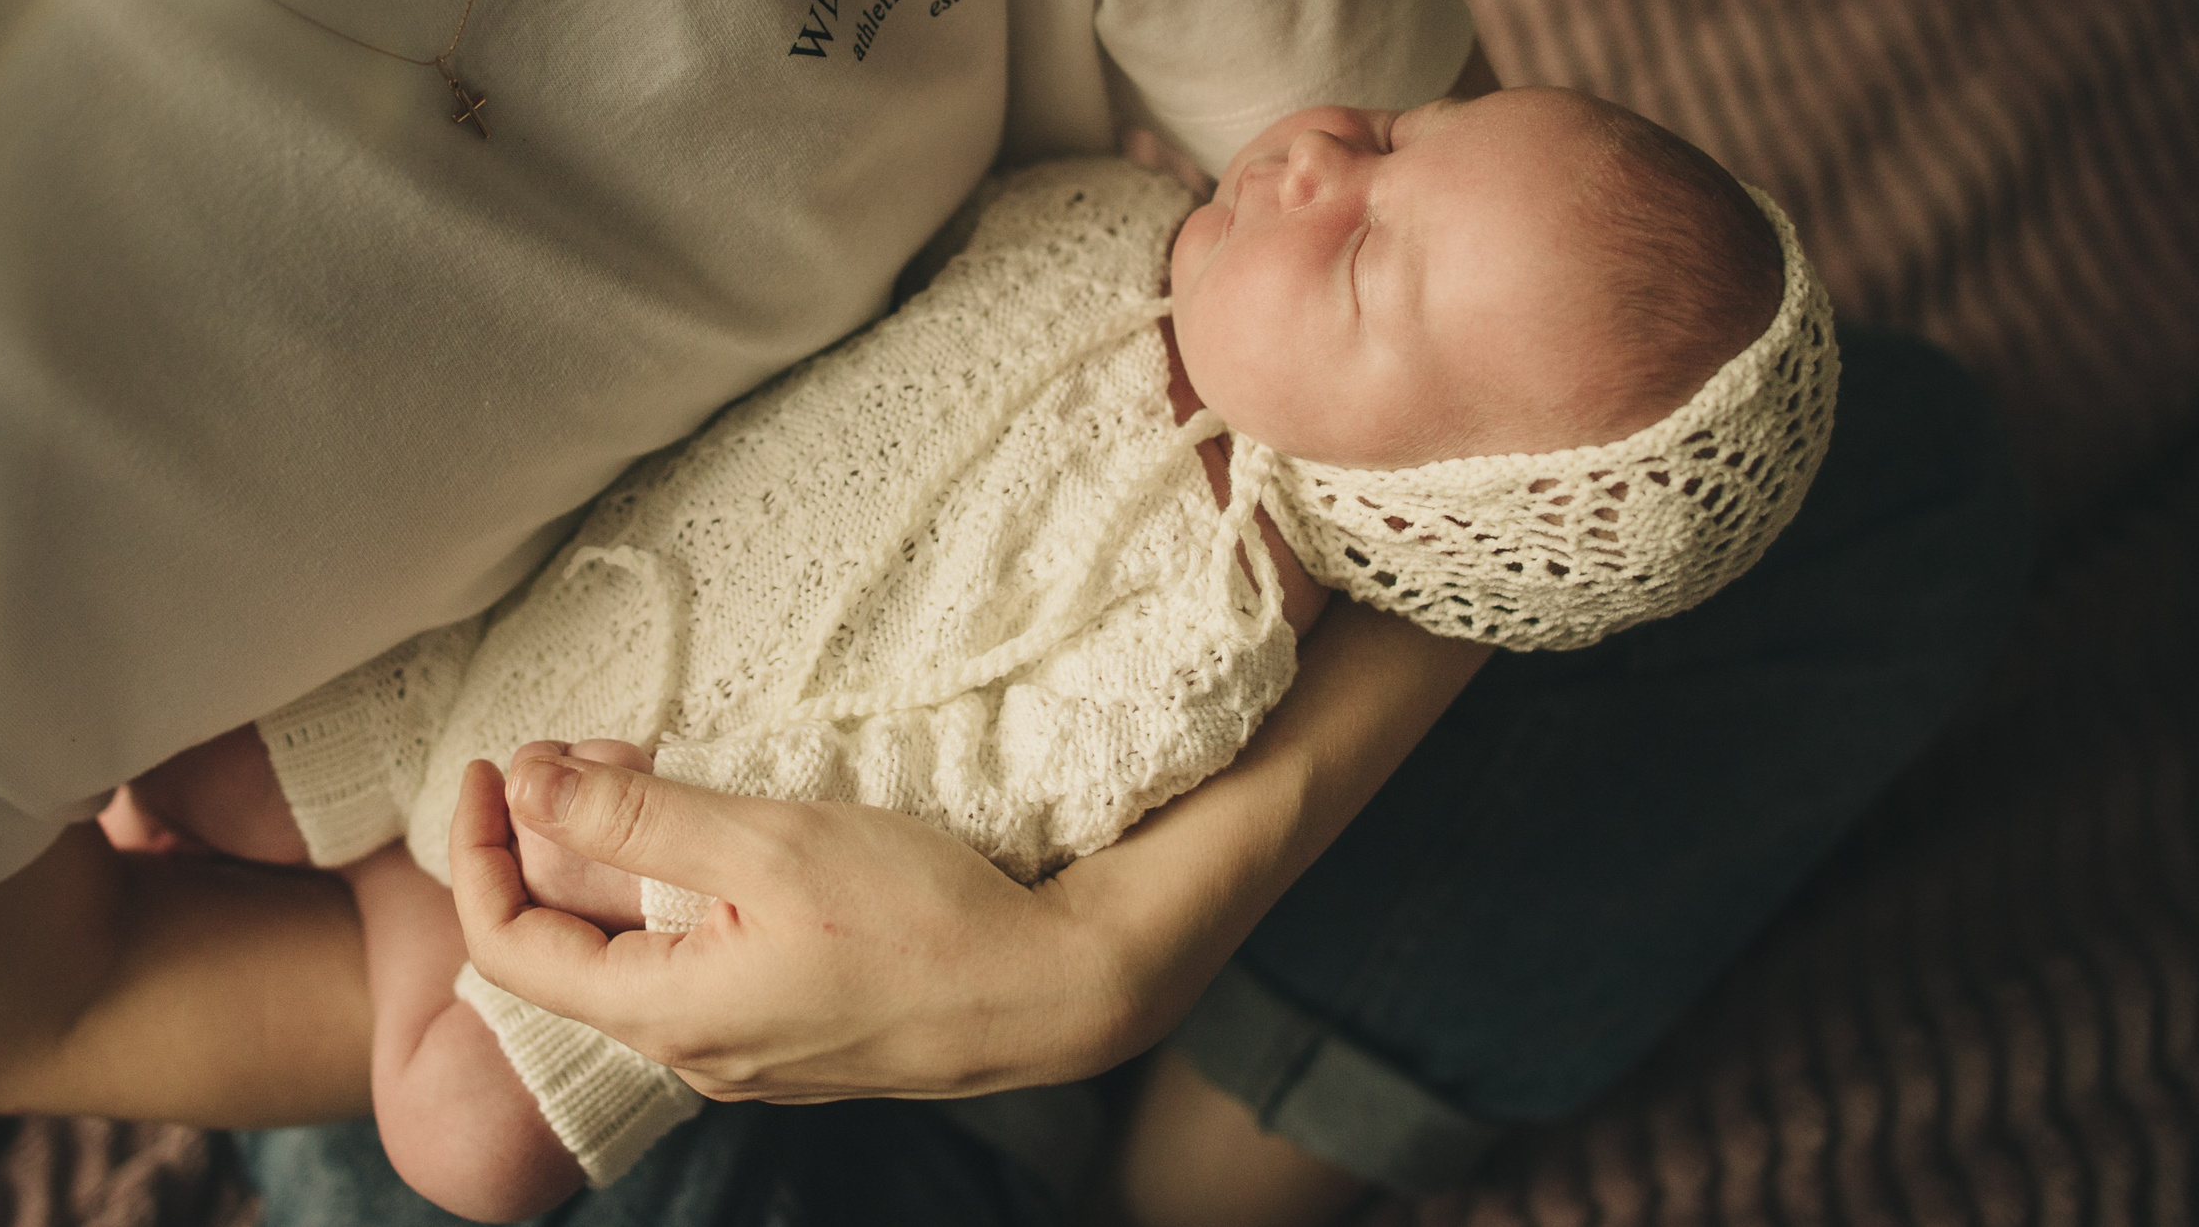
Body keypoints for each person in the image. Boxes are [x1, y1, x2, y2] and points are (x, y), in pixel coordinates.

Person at [0, 0, 2028, 1225]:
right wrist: (501, 945)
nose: (1312, 155)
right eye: (1353, 150)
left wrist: (1114, 946)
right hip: (512, 909)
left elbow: (1511, 428)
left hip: (1066, 830)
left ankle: (1212, 1166)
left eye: (1361, 190)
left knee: (1871, 496)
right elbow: (38, 1009)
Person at [112, 85, 1837, 1218]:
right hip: (530, 590)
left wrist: (654, 877)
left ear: (1413, 505)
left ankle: (412, 916)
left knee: (469, 1142)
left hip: (687, 834)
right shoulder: (1107, 215)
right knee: (187, 761)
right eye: (1395, 125)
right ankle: (367, 841)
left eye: (1366, 256)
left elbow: (987, 799)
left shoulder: (1216, 628)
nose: (1315, 157)